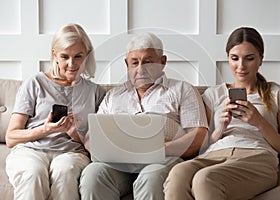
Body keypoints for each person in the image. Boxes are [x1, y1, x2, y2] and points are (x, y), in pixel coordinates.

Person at [163, 27, 280, 200]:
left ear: (261, 59)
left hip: (256, 156)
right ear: (228, 58)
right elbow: (201, 146)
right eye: (235, 58)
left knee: (204, 179)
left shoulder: (277, 94)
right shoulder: (213, 95)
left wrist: (259, 122)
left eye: (249, 58)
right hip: (215, 154)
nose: (241, 66)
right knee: (178, 174)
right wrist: (219, 129)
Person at [79, 32, 209, 200]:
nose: (140, 69)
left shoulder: (182, 90)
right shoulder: (113, 96)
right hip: (119, 164)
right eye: (135, 62)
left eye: (148, 61)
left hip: (162, 160)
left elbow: (200, 135)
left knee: (151, 177)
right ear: (127, 64)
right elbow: (91, 137)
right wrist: (107, 150)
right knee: (93, 174)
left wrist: (161, 149)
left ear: (162, 62)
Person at [5, 23, 106, 200]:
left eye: (78, 56)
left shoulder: (95, 92)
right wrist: (46, 129)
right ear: (55, 55)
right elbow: (11, 137)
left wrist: (74, 133)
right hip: (31, 151)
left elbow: (99, 144)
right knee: (33, 172)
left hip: (71, 153)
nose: (71, 64)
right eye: (64, 56)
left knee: (65, 172)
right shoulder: (35, 83)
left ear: (87, 55)